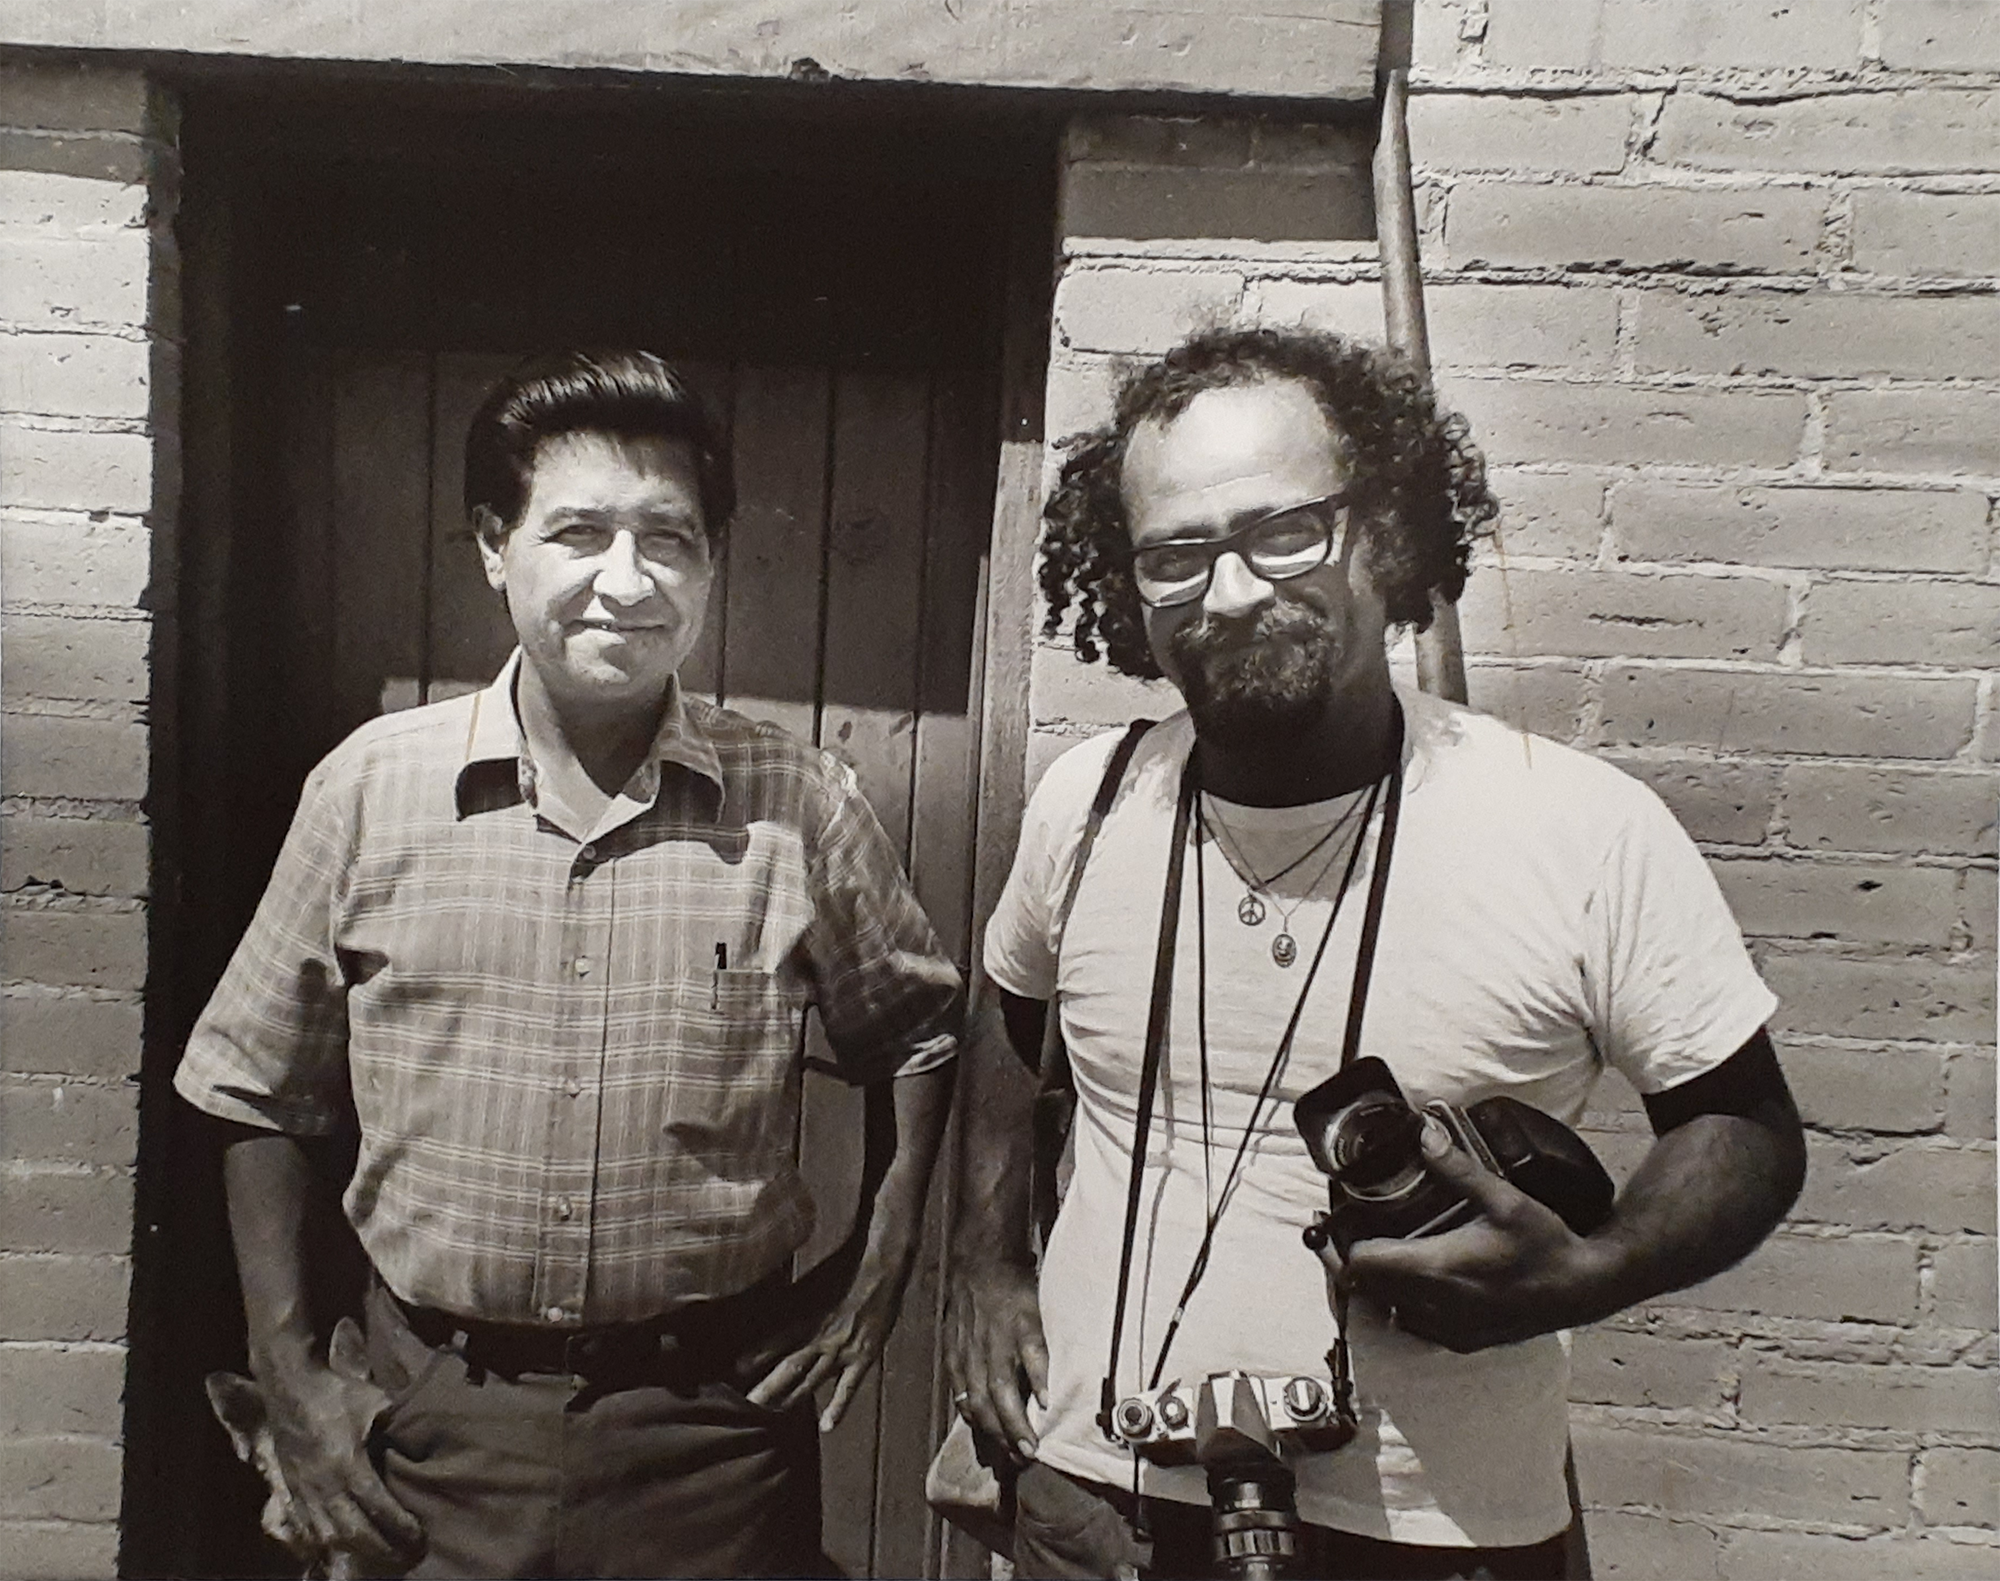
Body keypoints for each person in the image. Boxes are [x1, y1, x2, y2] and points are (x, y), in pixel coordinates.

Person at [944, 326, 1806, 1581]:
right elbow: (1009, 1022)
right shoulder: (1085, 802)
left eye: (1282, 531)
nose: (1230, 591)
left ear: (1385, 533)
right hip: (1095, 1505)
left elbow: (1744, 1127)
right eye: (1174, 556)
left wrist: (1590, 1270)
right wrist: (984, 1260)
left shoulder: (1575, 825)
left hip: (1432, 1534)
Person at [176, 350, 961, 1579]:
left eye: (669, 537)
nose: (624, 580)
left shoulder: (796, 803)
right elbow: (249, 1089)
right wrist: (289, 1382)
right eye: (578, 532)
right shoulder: (371, 789)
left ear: (710, 561)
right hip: (428, 1425)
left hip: (710, 1437)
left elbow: (914, 1031)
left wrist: (881, 1259)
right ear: (496, 545)